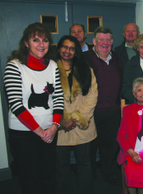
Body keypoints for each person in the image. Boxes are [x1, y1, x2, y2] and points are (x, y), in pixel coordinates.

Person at [3, 22, 64, 194]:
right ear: (26, 43)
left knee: (48, 175)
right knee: (30, 178)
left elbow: (58, 98)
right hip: (23, 134)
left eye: (45, 40)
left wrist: (54, 127)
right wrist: (39, 131)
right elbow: (15, 104)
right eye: (35, 40)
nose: (41, 44)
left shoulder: (52, 65)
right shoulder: (14, 66)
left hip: (50, 131)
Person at [55, 35, 98, 194]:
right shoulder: (49, 70)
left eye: (72, 48)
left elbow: (92, 96)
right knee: (61, 165)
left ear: (76, 51)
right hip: (59, 126)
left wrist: (77, 118)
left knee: (85, 163)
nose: (68, 51)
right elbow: (46, 100)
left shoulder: (86, 70)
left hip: (83, 125)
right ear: (59, 48)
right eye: (64, 47)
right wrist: (63, 119)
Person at [84, 26, 122, 183]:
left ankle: (109, 174)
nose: (105, 43)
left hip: (113, 111)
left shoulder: (117, 57)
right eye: (101, 40)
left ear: (112, 42)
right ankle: (90, 176)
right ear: (94, 41)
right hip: (92, 111)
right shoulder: (85, 58)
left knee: (111, 146)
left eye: (108, 40)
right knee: (90, 147)